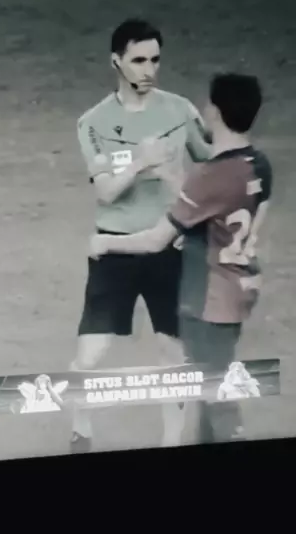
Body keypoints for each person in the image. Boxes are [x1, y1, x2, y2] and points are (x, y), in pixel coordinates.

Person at [90, 72, 272, 444]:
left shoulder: (211, 175)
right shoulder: (257, 164)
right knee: (210, 386)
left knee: (217, 395)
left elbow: (156, 240)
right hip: (239, 292)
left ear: (214, 112)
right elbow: (212, 205)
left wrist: (106, 244)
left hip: (207, 301)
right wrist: (169, 175)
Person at [71, 18, 212, 453]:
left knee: (174, 353)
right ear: (116, 61)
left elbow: (211, 165)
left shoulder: (180, 111)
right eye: (138, 61)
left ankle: (172, 442)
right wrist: (141, 161)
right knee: (89, 357)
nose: (148, 70)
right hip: (115, 250)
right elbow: (106, 191)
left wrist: (180, 190)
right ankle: (81, 430)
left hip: (169, 247)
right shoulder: (93, 122)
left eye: (154, 60)